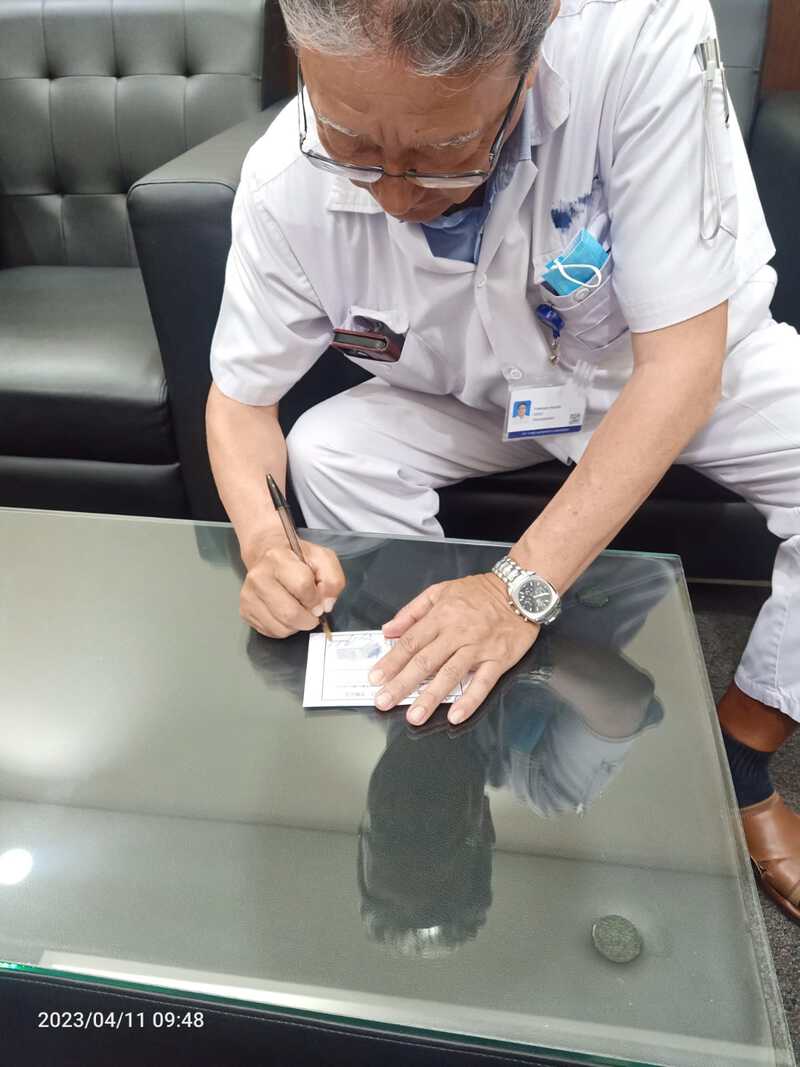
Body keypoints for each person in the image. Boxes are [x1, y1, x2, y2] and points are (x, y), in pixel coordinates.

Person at [206, 0, 799, 923]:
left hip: (657, 358)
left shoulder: (641, 35)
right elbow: (242, 402)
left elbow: (682, 368)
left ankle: (741, 761)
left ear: (535, 53)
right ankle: (421, 649)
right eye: (354, 149)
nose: (396, 196)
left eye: (443, 154)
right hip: (476, 388)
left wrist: (515, 594)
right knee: (328, 446)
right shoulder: (284, 177)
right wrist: (264, 545)